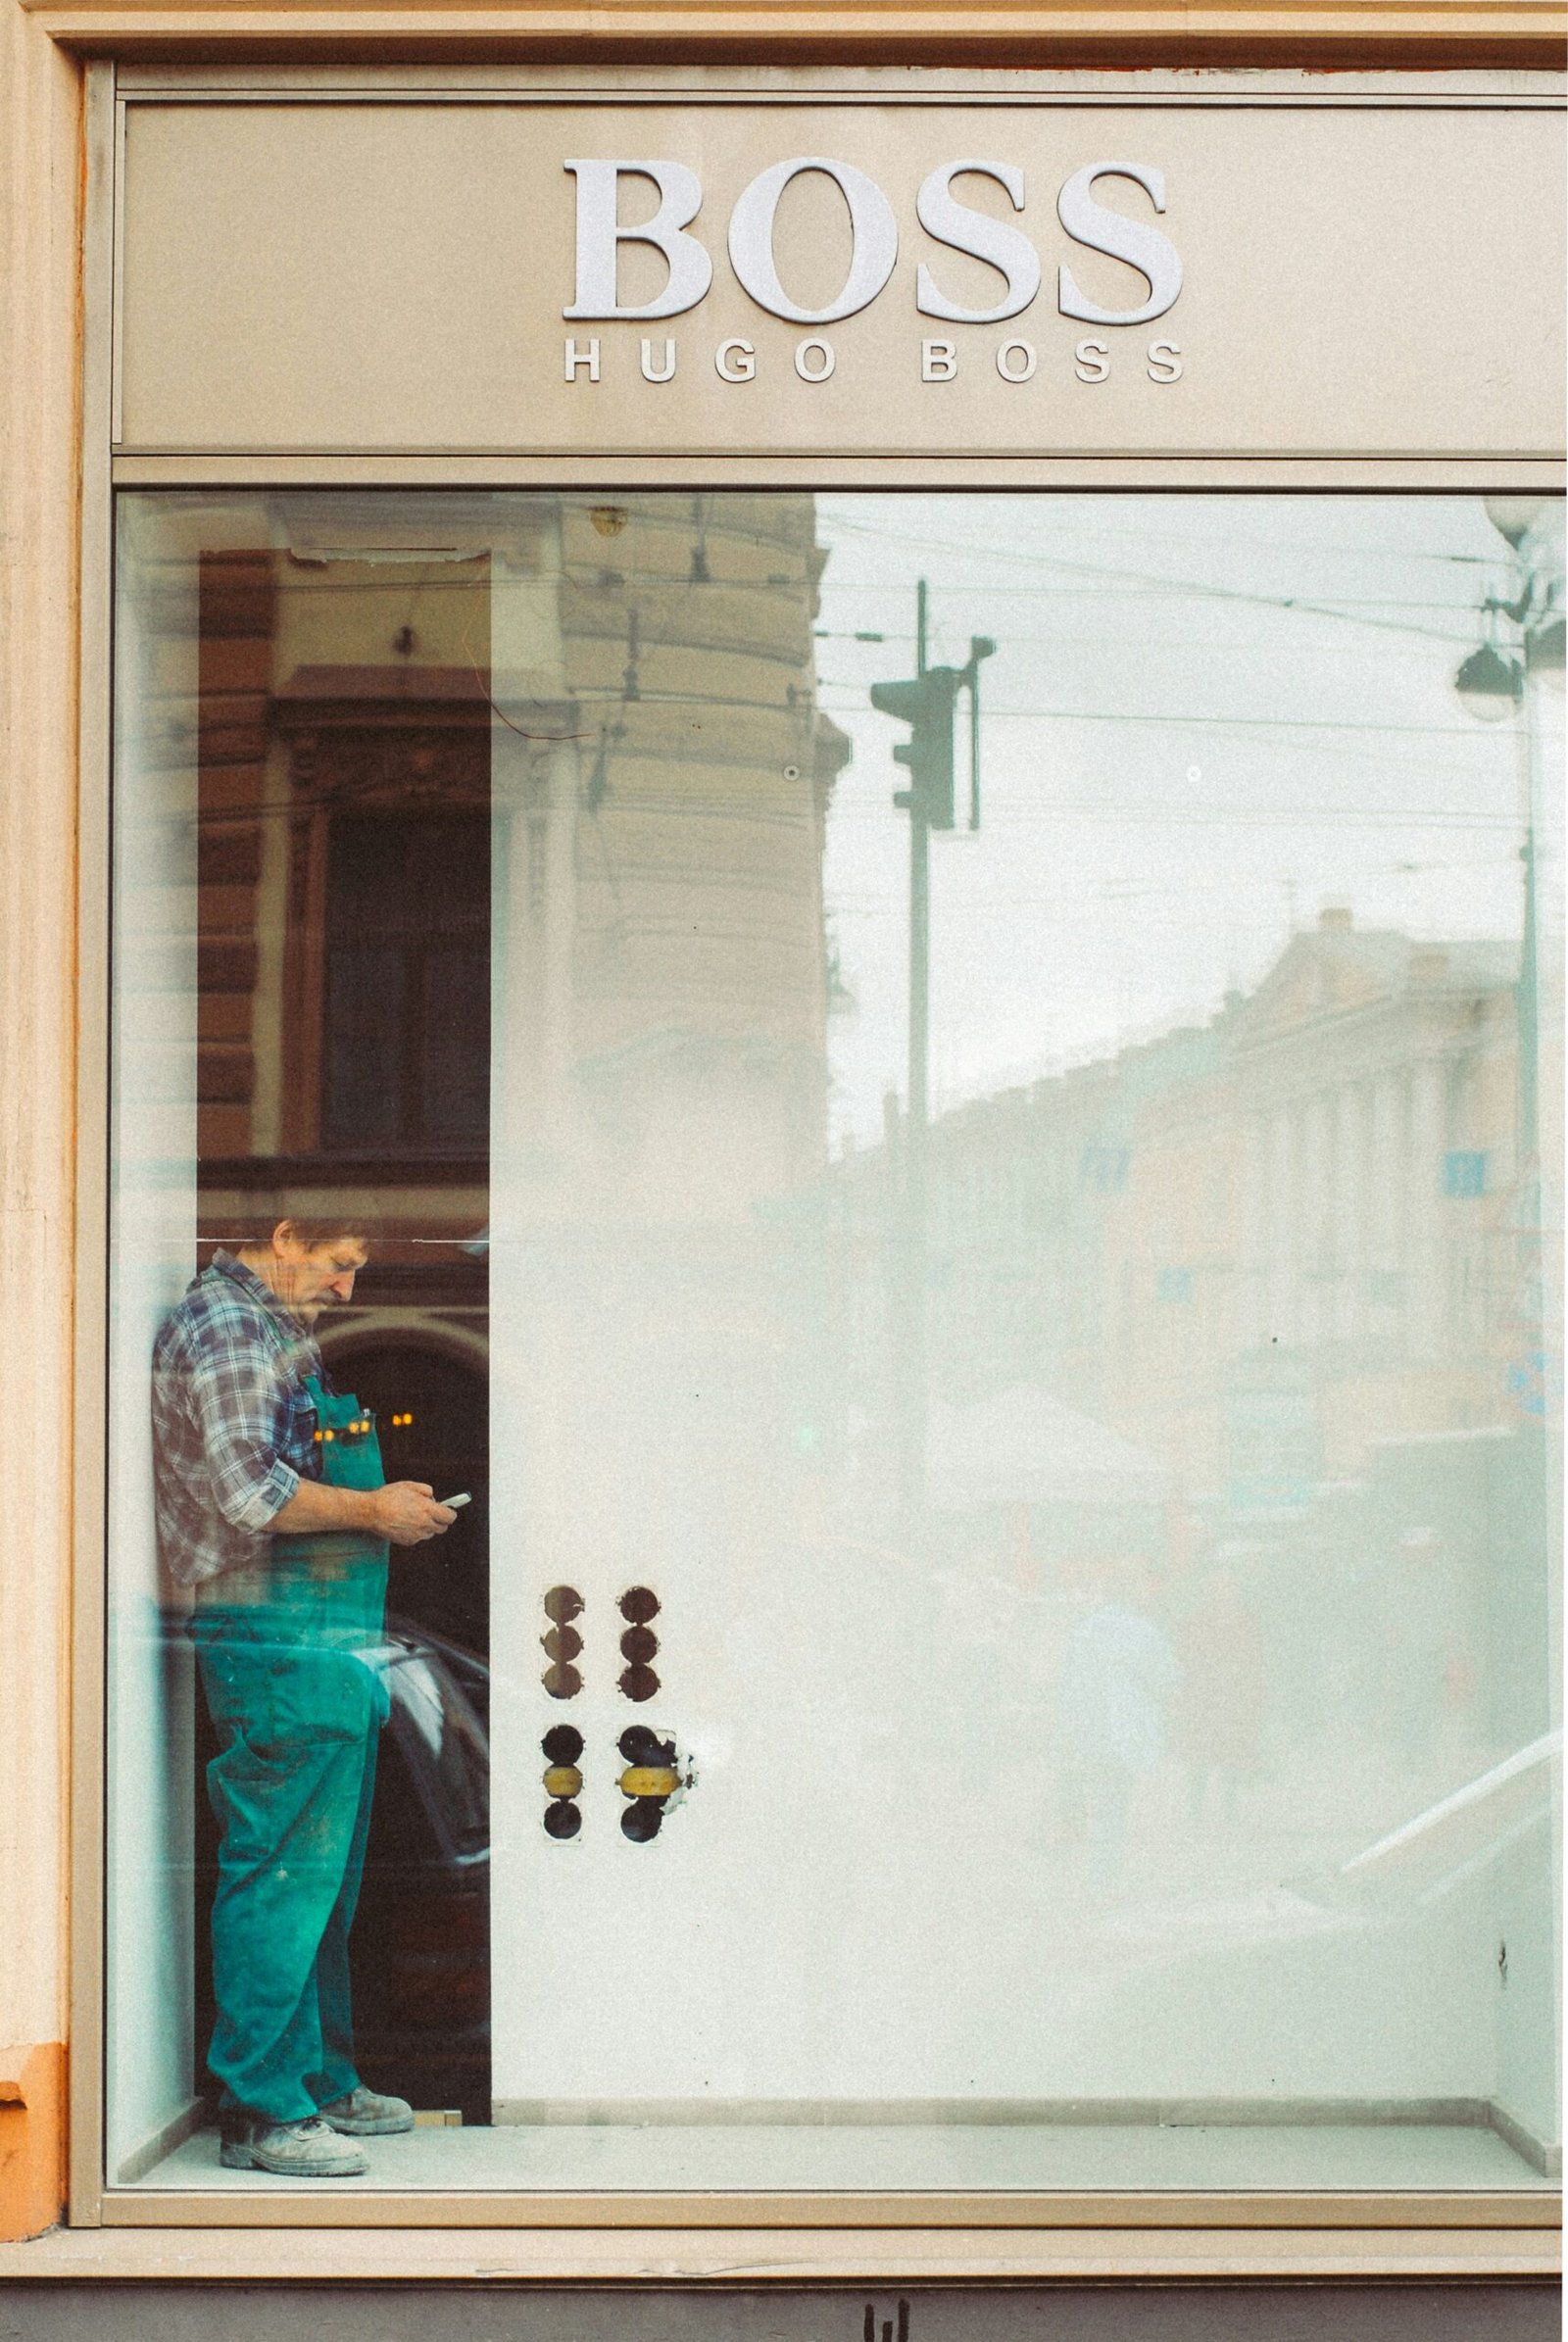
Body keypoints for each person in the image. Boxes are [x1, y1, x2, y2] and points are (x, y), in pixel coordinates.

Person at [152, 1217, 456, 2177]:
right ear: (283, 1235)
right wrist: (377, 1509)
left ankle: (316, 2077)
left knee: (320, 1873)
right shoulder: (232, 1331)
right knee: (282, 1867)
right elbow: (249, 1492)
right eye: (338, 1261)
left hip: (320, 1635)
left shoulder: (267, 1329)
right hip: (273, 1632)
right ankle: (260, 2103)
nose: (347, 1284)